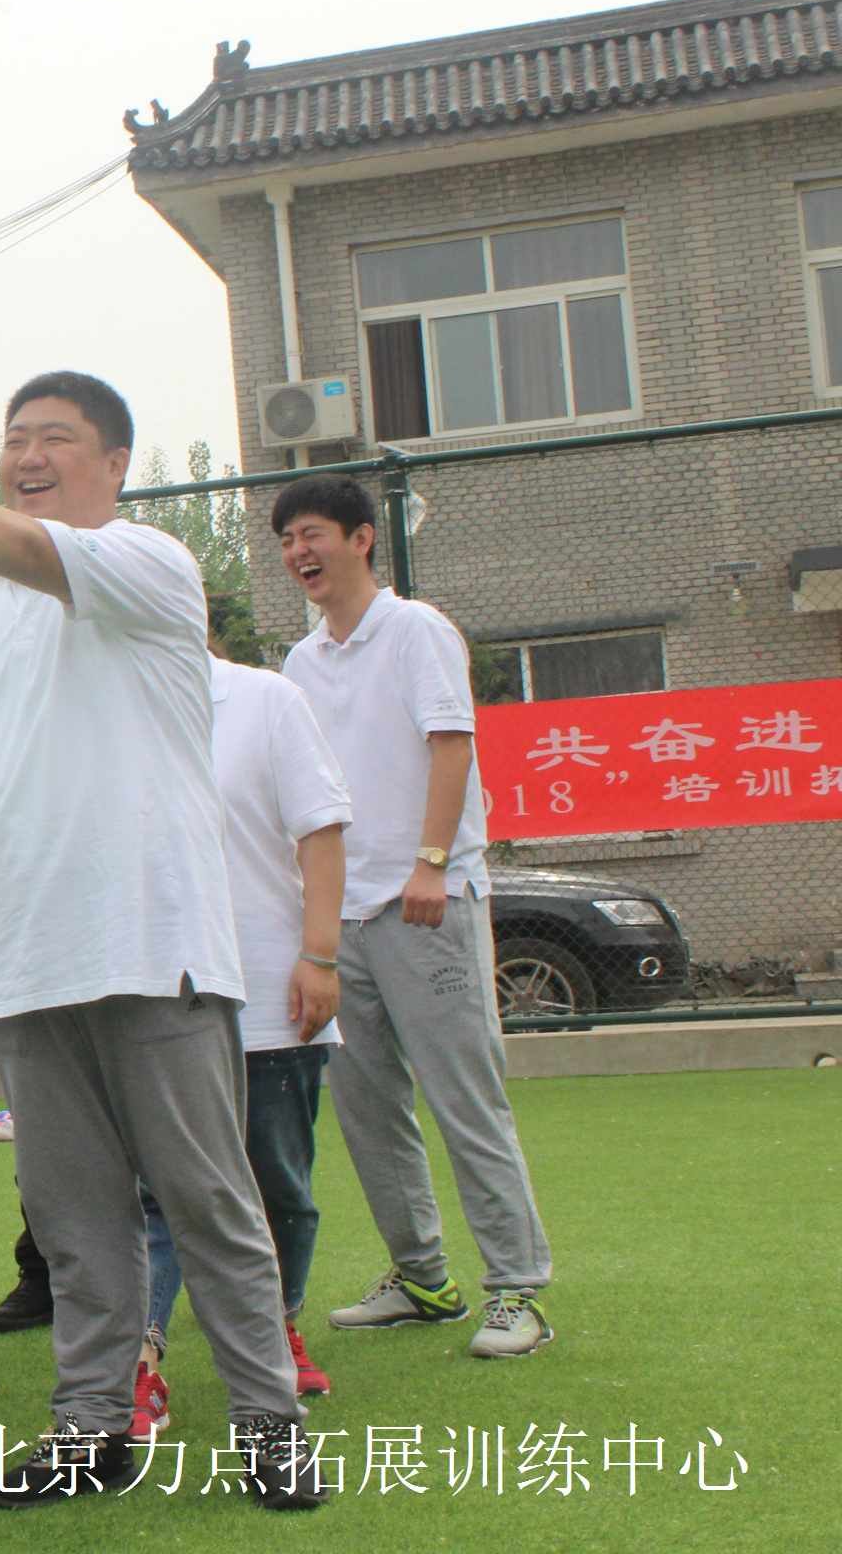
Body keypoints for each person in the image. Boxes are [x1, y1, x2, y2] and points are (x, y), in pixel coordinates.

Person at [0, 372, 327, 1511]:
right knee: (73, 1217)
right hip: (31, 961)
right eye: (15, 439)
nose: (29, 457)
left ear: (115, 463)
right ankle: (92, 1427)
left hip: (152, 942)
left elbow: (23, 545)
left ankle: (268, 1424)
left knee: (207, 1198)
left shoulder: (146, 562)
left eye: (56, 438)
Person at [271, 473, 555, 1358]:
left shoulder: (417, 630)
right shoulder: (299, 663)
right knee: (367, 1110)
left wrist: (432, 862)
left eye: (312, 533)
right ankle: (423, 1278)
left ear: (361, 538)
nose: (298, 553)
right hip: (340, 921)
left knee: (466, 1098)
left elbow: (451, 745)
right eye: (287, 541)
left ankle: (517, 1290)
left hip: (427, 906)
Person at [135, 612, 352, 1438]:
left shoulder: (265, 701)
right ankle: (140, 1360)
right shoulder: (107, 714)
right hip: (153, 992)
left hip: (265, 989)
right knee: (156, 1195)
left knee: (278, 1184)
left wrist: (319, 955)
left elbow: (320, 830)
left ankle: (277, 1322)